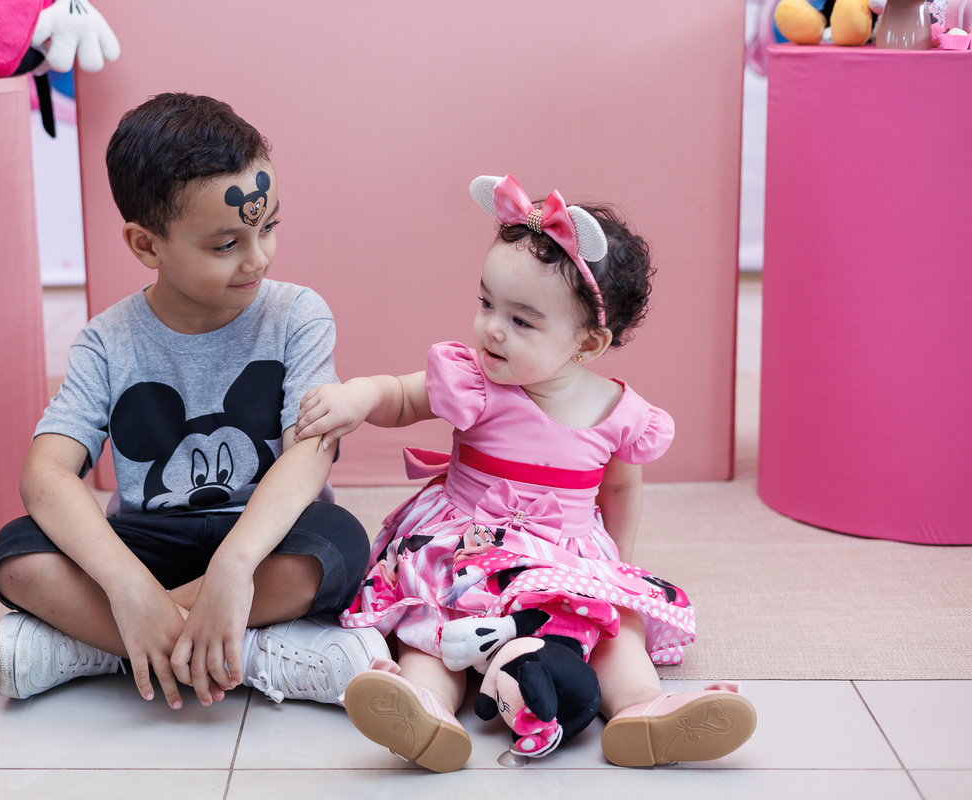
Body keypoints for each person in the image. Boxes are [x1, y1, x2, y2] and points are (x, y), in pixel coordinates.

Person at [294, 175, 757, 771]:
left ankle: (642, 709)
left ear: (588, 344)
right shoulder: (474, 380)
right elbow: (401, 397)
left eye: (522, 321)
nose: (492, 328)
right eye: (487, 303)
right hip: (462, 542)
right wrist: (357, 396)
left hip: (563, 551)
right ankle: (425, 708)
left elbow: (619, 486)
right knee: (432, 625)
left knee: (614, 628)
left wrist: (615, 565)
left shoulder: (618, 412)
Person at [0, 93, 389, 712]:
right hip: (148, 541)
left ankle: (103, 646)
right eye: (226, 244)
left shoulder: (297, 315)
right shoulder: (106, 341)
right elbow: (45, 474)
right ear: (147, 246)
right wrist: (126, 585)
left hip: (262, 536)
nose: (257, 257)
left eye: (268, 227)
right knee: (16, 554)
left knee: (338, 542)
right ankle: (238, 649)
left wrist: (234, 566)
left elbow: (308, 455)